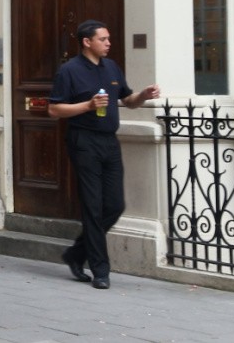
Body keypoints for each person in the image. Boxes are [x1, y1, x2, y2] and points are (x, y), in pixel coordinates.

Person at [49, 19, 160, 290]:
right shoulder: (69, 71)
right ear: (87, 42)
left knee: (115, 205)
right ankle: (100, 270)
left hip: (110, 141)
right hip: (83, 141)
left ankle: (76, 253)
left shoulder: (111, 67)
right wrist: (87, 105)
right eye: (103, 39)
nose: (109, 43)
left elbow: (128, 101)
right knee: (93, 206)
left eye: (108, 39)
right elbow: (55, 110)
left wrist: (143, 95)